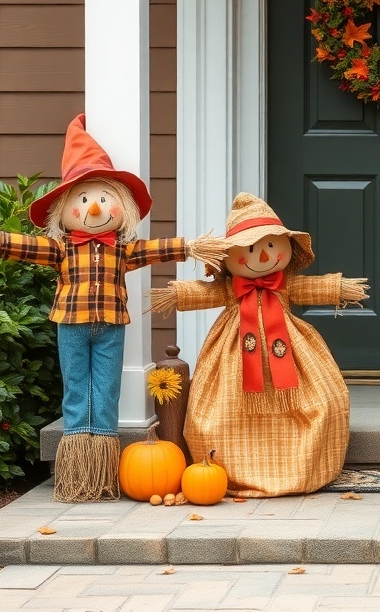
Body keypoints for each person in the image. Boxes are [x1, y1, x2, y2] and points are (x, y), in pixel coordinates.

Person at [0, 114, 225, 502]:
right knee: (75, 390)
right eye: (84, 200)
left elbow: (156, 249)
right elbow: (26, 246)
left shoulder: (123, 248)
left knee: (106, 389)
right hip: (70, 323)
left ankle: (99, 466)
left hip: (112, 325)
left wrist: (189, 247)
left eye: (104, 199)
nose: (96, 208)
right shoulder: (62, 247)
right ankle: (76, 465)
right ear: (65, 209)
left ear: (121, 208)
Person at [150, 193, 368, 497]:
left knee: (319, 399)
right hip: (234, 352)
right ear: (227, 258)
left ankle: (299, 467)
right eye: (251, 249)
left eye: (269, 245)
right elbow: (201, 292)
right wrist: (175, 294)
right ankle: (231, 468)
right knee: (225, 404)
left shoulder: (286, 284)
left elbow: (313, 287)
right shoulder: (230, 289)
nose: (263, 256)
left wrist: (339, 287)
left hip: (289, 350)